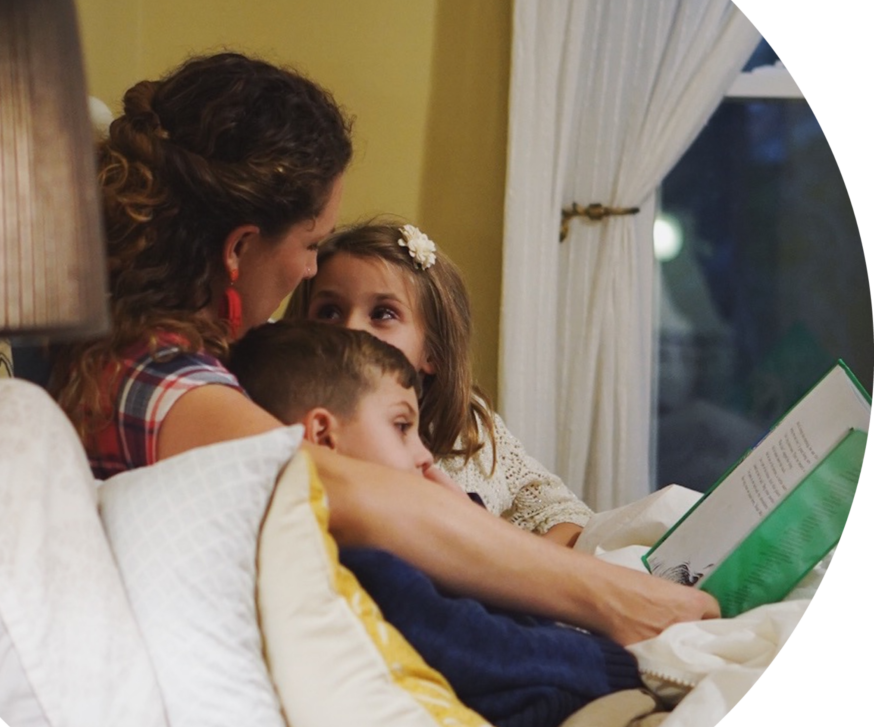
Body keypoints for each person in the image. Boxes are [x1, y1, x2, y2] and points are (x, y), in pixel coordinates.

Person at [50, 50, 719, 646]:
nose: (310, 273)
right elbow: (358, 499)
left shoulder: (140, 349)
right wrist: (614, 598)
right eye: (312, 246)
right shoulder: (156, 377)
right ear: (239, 248)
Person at [228, 320, 645, 727]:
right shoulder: (358, 563)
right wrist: (623, 663)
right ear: (323, 436)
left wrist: (469, 519)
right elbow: (483, 650)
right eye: (402, 426)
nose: (424, 454)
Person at [285, 218, 588, 547]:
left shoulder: (470, 427)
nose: (351, 329)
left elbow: (565, 513)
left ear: (432, 353)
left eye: (383, 313)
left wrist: (517, 561)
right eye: (329, 312)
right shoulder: (290, 427)